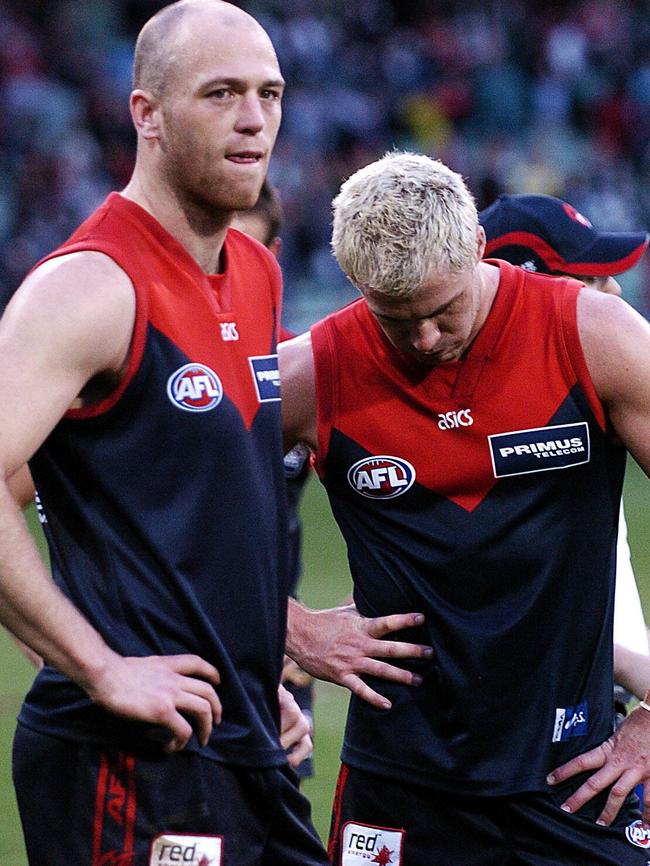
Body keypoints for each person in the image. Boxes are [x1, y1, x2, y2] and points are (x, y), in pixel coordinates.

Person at [0, 5, 431, 864]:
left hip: (245, 734)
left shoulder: (259, 270)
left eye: (270, 93)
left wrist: (258, 663)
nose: (254, 119)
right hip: (128, 756)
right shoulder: (90, 287)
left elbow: (199, 512)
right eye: (222, 93)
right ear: (146, 115)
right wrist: (99, 667)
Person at [280, 151, 650, 865]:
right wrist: (288, 627)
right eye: (395, 319)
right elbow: (160, 500)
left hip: (576, 778)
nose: (423, 338)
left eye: (442, 309)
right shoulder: (312, 371)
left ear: (479, 248)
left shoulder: (592, 336)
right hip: (399, 787)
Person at [479, 192, 650, 704]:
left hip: (609, 708)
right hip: (535, 728)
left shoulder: (597, 387)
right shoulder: (454, 430)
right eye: (593, 277)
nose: (615, 290)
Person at [231, 180, 316, 782]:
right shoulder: (148, 363)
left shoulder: (297, 370)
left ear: (272, 255)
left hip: (280, 658)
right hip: (177, 653)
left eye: (240, 255)